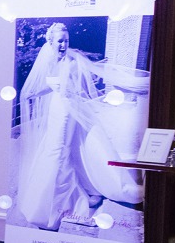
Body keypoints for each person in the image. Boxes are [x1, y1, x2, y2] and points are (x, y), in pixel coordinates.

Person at [14, 22, 142, 230]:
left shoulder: (72, 61)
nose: (64, 45)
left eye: (66, 41)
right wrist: (32, 93)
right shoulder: (48, 61)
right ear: (51, 42)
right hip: (56, 109)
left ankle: (62, 205)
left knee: (59, 151)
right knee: (51, 149)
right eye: (60, 41)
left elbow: (75, 87)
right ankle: (44, 201)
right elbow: (50, 86)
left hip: (68, 111)